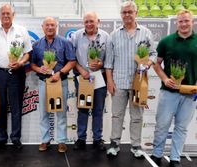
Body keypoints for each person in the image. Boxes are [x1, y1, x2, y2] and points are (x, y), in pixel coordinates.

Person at [104, 1, 156, 158]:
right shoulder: (114, 35)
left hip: (138, 84)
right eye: (124, 12)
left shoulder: (146, 33)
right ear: (121, 15)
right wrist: (110, 82)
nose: (127, 15)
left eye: (130, 12)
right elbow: (108, 62)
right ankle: (114, 143)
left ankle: (136, 145)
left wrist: (148, 63)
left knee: (137, 116)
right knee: (117, 115)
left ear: (136, 13)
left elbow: (153, 53)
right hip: (118, 83)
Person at [150, 9, 197, 167]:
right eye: (181, 21)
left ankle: (175, 158)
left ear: (192, 22)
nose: (183, 24)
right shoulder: (166, 41)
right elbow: (157, 64)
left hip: (189, 93)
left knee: (181, 127)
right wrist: (164, 78)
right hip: (168, 92)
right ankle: (156, 154)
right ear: (176, 23)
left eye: (187, 21)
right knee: (162, 124)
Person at [0, 4, 32, 150]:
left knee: (16, 106)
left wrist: (21, 63)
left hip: (17, 73)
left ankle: (16, 137)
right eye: (3, 13)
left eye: (8, 13)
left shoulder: (22, 31)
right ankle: (2, 137)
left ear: (13, 15)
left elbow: (27, 53)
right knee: (0, 106)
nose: (5, 16)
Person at [31, 17, 76, 153]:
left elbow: (72, 61)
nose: (50, 27)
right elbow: (32, 64)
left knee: (61, 113)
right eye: (47, 25)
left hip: (60, 82)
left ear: (56, 26)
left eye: (52, 25)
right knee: (44, 113)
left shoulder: (65, 43)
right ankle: (45, 140)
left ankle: (61, 141)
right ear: (42, 27)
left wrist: (60, 73)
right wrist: (40, 69)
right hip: (44, 82)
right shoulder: (37, 45)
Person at [69, 12, 110, 151]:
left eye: (91, 21)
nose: (89, 24)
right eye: (86, 21)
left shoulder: (106, 36)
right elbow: (71, 58)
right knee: (83, 108)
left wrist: (101, 64)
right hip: (83, 78)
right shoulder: (76, 36)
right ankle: (81, 138)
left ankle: (97, 139)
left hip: (100, 77)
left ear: (98, 21)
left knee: (98, 109)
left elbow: (109, 59)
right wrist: (81, 70)